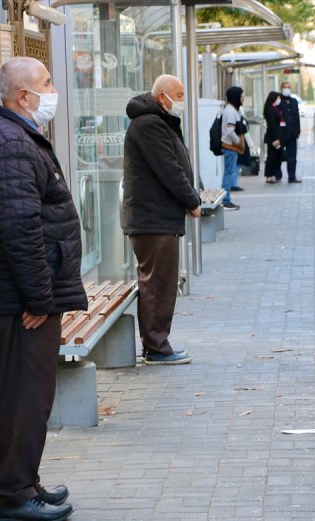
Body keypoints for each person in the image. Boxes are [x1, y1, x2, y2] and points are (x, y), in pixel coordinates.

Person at [0, 56, 85, 521]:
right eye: (47, 83)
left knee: (29, 396)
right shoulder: (12, 143)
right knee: (22, 397)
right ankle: (14, 494)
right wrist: (40, 298)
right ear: (23, 95)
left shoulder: (15, 136)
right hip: (20, 303)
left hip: (20, 297)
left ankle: (25, 481)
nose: (53, 90)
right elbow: (20, 228)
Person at [122, 74, 201, 364]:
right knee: (158, 283)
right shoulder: (149, 124)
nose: (181, 101)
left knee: (162, 282)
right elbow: (169, 169)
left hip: (158, 217)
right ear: (161, 96)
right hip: (152, 218)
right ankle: (156, 346)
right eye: (178, 95)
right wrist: (192, 200)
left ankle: (157, 343)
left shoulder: (156, 121)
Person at [220, 86, 245, 209]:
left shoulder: (232, 110)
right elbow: (230, 131)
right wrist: (239, 142)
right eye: (241, 96)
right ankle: (225, 200)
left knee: (229, 172)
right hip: (230, 147)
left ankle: (226, 198)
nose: (242, 99)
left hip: (231, 147)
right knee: (228, 173)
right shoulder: (230, 111)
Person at [276, 81, 301, 183]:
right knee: (278, 155)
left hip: (292, 133)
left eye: (288, 87)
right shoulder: (278, 101)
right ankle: (278, 176)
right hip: (281, 133)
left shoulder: (294, 101)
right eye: (284, 87)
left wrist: (297, 130)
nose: (286, 89)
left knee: (292, 156)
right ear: (281, 89)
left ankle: (292, 176)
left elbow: (297, 117)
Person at [263, 91, 283, 184]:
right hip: (272, 137)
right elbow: (272, 125)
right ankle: (269, 176)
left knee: (274, 157)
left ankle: (271, 175)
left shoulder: (273, 108)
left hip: (274, 136)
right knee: (271, 157)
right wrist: (276, 138)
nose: (279, 100)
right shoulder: (270, 109)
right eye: (278, 98)